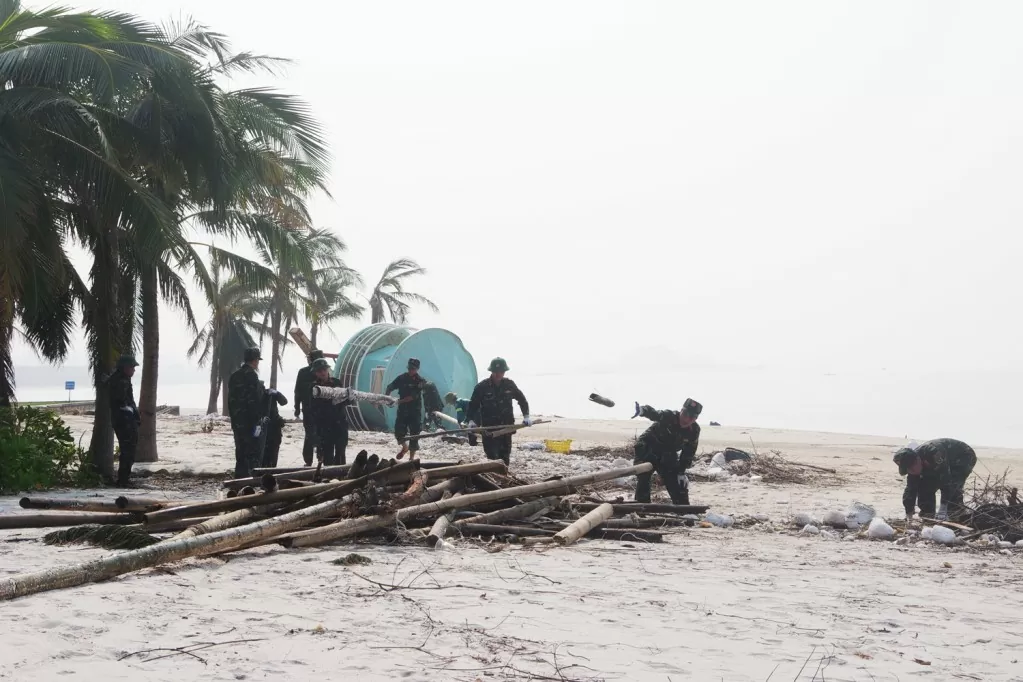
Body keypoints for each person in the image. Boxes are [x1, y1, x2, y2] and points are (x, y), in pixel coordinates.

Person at [631, 398, 703, 505]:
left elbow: (688, 453)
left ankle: (684, 511)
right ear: (681, 411)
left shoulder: (694, 430)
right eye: (685, 414)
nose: (687, 419)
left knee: (677, 481)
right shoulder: (669, 416)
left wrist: (681, 472)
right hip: (647, 448)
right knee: (644, 477)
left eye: (692, 417)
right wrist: (642, 411)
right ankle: (642, 508)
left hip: (668, 453)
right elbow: (655, 414)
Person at [894, 438, 977, 521]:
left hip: (963, 456)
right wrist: (909, 512)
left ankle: (957, 515)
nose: (911, 471)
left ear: (918, 460)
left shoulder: (934, 452)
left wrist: (943, 509)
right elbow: (910, 489)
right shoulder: (912, 467)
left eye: (912, 468)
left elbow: (946, 481)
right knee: (924, 487)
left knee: (954, 485)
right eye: (908, 470)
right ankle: (928, 516)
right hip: (938, 463)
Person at [467, 357, 530, 466]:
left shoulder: (509, 384)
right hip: (489, 430)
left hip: (506, 429)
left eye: (501, 372)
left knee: (505, 458)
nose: (498, 374)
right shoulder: (482, 387)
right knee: (492, 459)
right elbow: (473, 405)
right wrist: (471, 420)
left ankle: (504, 479)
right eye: (496, 372)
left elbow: (522, 399)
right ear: (491, 371)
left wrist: (526, 416)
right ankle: (494, 479)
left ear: (504, 372)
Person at [228, 347, 266, 478]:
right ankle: (250, 479)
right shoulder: (252, 375)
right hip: (249, 421)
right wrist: (258, 419)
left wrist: (234, 418)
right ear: (255, 361)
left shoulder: (234, 376)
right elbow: (253, 400)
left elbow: (230, 400)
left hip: (237, 421)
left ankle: (239, 477)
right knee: (252, 451)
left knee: (240, 451)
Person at [309, 358, 351, 465]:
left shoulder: (337, 382)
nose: (322, 373)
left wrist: (349, 398)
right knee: (327, 457)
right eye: (319, 371)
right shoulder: (314, 388)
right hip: (324, 428)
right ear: (315, 373)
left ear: (327, 370)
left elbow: (344, 400)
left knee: (341, 455)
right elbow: (312, 408)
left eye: (324, 369)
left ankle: (340, 479)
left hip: (340, 425)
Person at [108, 354, 140, 486]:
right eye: (132, 367)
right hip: (124, 420)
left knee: (127, 450)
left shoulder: (119, 379)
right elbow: (122, 401)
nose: (134, 370)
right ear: (125, 367)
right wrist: (131, 411)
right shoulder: (121, 381)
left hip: (122, 419)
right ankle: (123, 480)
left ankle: (124, 479)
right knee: (128, 450)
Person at [385, 358, 428, 458]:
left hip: (414, 411)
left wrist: (397, 401)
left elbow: (411, 397)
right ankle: (405, 447)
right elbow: (390, 387)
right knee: (399, 432)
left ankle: (411, 459)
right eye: (409, 368)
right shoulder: (401, 378)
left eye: (413, 369)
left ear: (417, 369)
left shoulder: (420, 381)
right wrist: (387, 398)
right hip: (403, 410)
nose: (410, 371)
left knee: (414, 435)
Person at [294, 349, 324, 466]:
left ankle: (308, 460)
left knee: (309, 435)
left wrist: (297, 407)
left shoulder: (303, 372)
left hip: (308, 408)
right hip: (320, 408)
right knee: (321, 433)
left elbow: (297, 392)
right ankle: (320, 457)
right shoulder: (323, 372)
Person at [260, 381, 289, 468]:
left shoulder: (270, 395)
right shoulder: (253, 396)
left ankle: (271, 469)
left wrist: (277, 393)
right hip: (262, 427)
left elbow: (284, 402)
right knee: (263, 452)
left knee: (273, 451)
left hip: (274, 427)